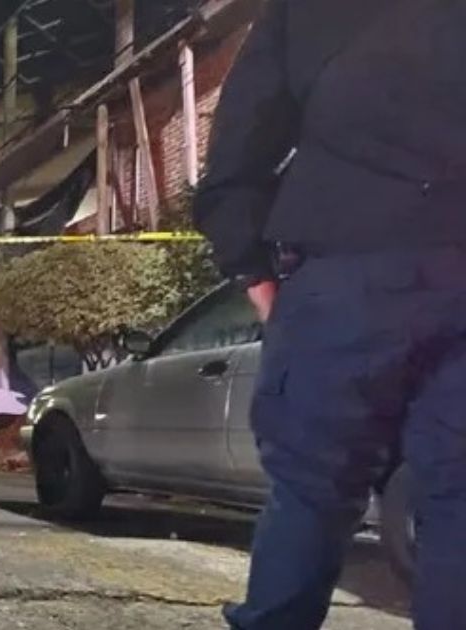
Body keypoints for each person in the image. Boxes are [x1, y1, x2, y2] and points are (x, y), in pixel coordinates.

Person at [194, 1, 466, 628]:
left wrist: (250, 264)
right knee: (459, 497)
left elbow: (240, 145)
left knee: (311, 492)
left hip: (345, 270)